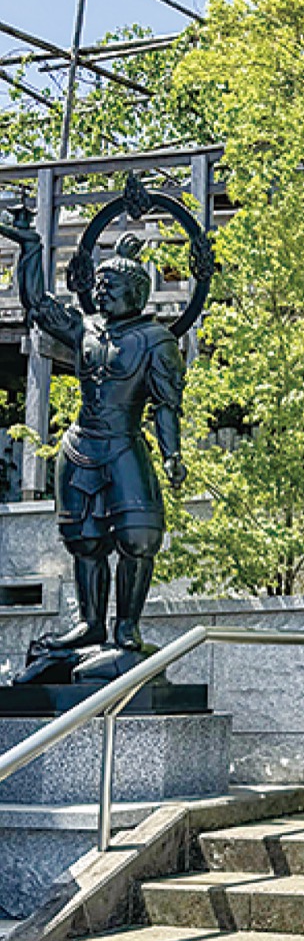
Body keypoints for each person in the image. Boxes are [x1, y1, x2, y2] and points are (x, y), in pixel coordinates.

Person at [2, 210, 186, 661]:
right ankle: (90, 623)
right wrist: (30, 249)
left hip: (124, 444)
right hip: (80, 445)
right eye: (99, 285)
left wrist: (171, 454)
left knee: (139, 538)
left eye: (112, 286)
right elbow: (38, 305)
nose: (101, 292)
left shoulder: (156, 340)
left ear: (137, 292)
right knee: (85, 542)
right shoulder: (83, 328)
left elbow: (165, 404)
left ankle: (126, 625)